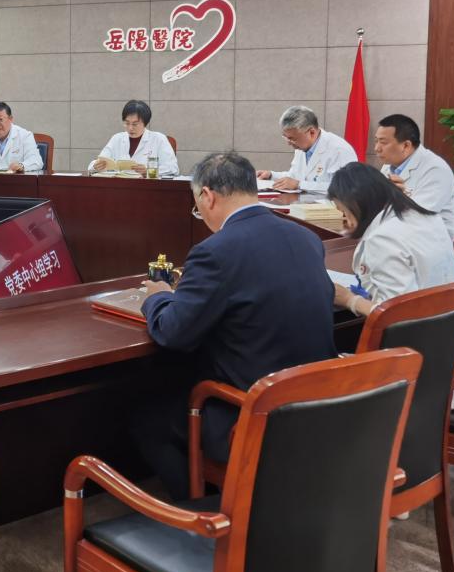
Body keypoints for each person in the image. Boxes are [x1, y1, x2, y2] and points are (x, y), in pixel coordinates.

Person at [135, 151, 336, 499]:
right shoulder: (305, 238)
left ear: (207, 196)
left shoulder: (214, 251)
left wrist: (158, 296)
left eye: (197, 207)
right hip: (317, 406)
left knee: (147, 418)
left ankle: (201, 516)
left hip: (255, 415)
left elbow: (173, 332)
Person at [327, 162, 454, 410]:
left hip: (414, 373)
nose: (343, 218)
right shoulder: (425, 217)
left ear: (357, 203)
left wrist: (349, 300)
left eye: (343, 211)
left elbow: (397, 316)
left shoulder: (382, 239)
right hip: (447, 352)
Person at [373, 113, 454, 239]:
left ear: (406, 145)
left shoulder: (436, 169)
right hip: (398, 234)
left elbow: (420, 217)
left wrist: (402, 197)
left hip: (434, 240)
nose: (377, 148)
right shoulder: (389, 165)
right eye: (376, 141)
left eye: (383, 142)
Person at [256, 105, 357, 193]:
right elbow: (294, 176)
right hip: (303, 205)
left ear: (311, 132)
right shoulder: (302, 147)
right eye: (286, 137)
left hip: (331, 208)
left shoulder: (339, 150)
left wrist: (300, 185)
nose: (288, 143)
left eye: (292, 139)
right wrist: (271, 175)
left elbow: (343, 188)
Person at [88, 99, 179, 176]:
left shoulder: (159, 139)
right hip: (120, 186)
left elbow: (173, 168)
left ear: (145, 123)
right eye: (127, 123)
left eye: (135, 124)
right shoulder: (117, 138)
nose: (130, 128)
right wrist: (95, 166)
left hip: (147, 187)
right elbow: (100, 160)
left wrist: (148, 171)